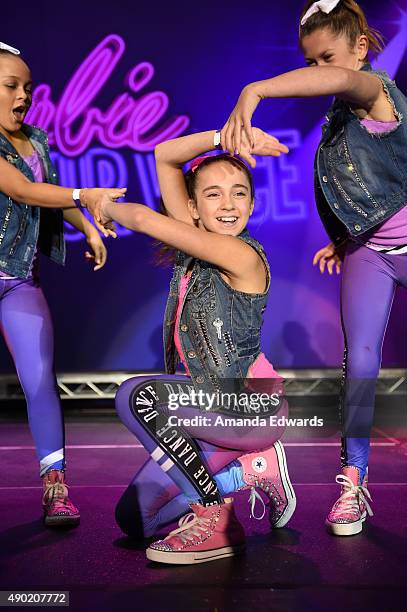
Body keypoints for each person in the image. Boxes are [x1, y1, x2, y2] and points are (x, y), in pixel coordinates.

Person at [221, 0, 406, 536]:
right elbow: (357, 188)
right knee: (360, 361)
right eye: (309, 61)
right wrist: (340, 239)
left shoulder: (379, 94)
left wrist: (253, 90)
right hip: (367, 251)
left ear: (360, 49)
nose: (317, 71)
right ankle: (353, 482)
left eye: (324, 60)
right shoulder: (336, 121)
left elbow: (350, 85)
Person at [95, 127, 296, 564]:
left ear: (252, 203)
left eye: (239, 193)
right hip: (208, 410)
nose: (228, 205)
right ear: (192, 207)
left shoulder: (243, 256)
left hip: (247, 408)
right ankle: (249, 470)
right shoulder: (195, 246)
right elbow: (165, 155)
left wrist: (103, 205)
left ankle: (217, 520)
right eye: (214, 195)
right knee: (135, 519)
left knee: (138, 396)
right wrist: (228, 136)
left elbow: (147, 220)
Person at [0, 42, 126, 526]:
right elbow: (22, 190)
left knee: (39, 381)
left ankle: (55, 488)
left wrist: (89, 225)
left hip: (16, 280)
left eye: (27, 88)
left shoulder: (37, 140)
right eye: (11, 86)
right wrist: (84, 193)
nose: (23, 96)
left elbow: (51, 193)